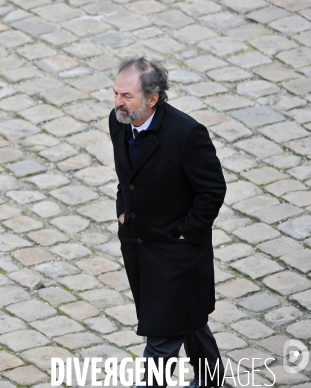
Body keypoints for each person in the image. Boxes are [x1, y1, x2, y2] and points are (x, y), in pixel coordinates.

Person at [108, 57, 226, 388]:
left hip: (177, 254)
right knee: (186, 318)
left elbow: (212, 190)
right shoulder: (119, 121)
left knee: (161, 334)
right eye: (116, 92)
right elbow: (125, 176)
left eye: (127, 96)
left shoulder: (187, 135)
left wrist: (187, 234)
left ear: (153, 98)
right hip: (139, 246)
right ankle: (212, 379)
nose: (119, 102)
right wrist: (123, 212)